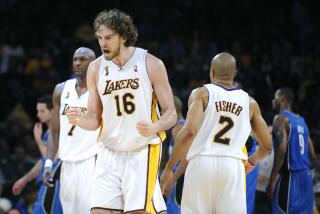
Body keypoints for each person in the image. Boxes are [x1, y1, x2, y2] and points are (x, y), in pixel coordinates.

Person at [66, 9, 177, 214]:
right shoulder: (96, 68)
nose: (103, 44)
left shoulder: (150, 63)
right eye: (99, 38)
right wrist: (79, 119)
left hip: (141, 149)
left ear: (124, 36)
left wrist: (156, 126)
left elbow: (171, 113)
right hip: (109, 151)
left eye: (108, 38)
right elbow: (94, 118)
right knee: (99, 211)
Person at [160, 52, 273, 213]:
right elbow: (267, 145)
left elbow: (189, 131)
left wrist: (169, 168)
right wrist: (251, 162)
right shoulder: (250, 103)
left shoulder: (201, 94)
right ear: (234, 73)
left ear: (212, 72)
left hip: (201, 163)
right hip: (232, 166)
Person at [43, 47, 99, 214]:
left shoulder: (101, 91)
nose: (77, 63)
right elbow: (54, 131)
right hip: (67, 162)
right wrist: (48, 163)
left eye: (83, 59)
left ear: (93, 63)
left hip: (92, 160)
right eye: (75, 59)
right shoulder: (61, 90)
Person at [267, 87, 319, 214]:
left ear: (283, 99)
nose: (273, 100)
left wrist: (272, 180)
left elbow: (282, 150)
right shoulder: (302, 121)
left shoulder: (280, 119)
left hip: (291, 177)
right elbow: (312, 154)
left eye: (276, 97)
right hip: (307, 178)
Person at [12, 95, 62, 214]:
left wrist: (38, 140)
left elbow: (52, 159)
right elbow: (43, 161)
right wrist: (25, 179)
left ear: (53, 111)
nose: (38, 114)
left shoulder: (58, 132)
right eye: (37, 111)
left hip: (54, 182)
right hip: (46, 183)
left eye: (42, 111)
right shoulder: (48, 133)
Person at [164, 96, 186, 214]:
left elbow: (184, 158)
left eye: (164, 111)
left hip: (179, 177)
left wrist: (171, 179)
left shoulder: (178, 127)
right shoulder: (183, 126)